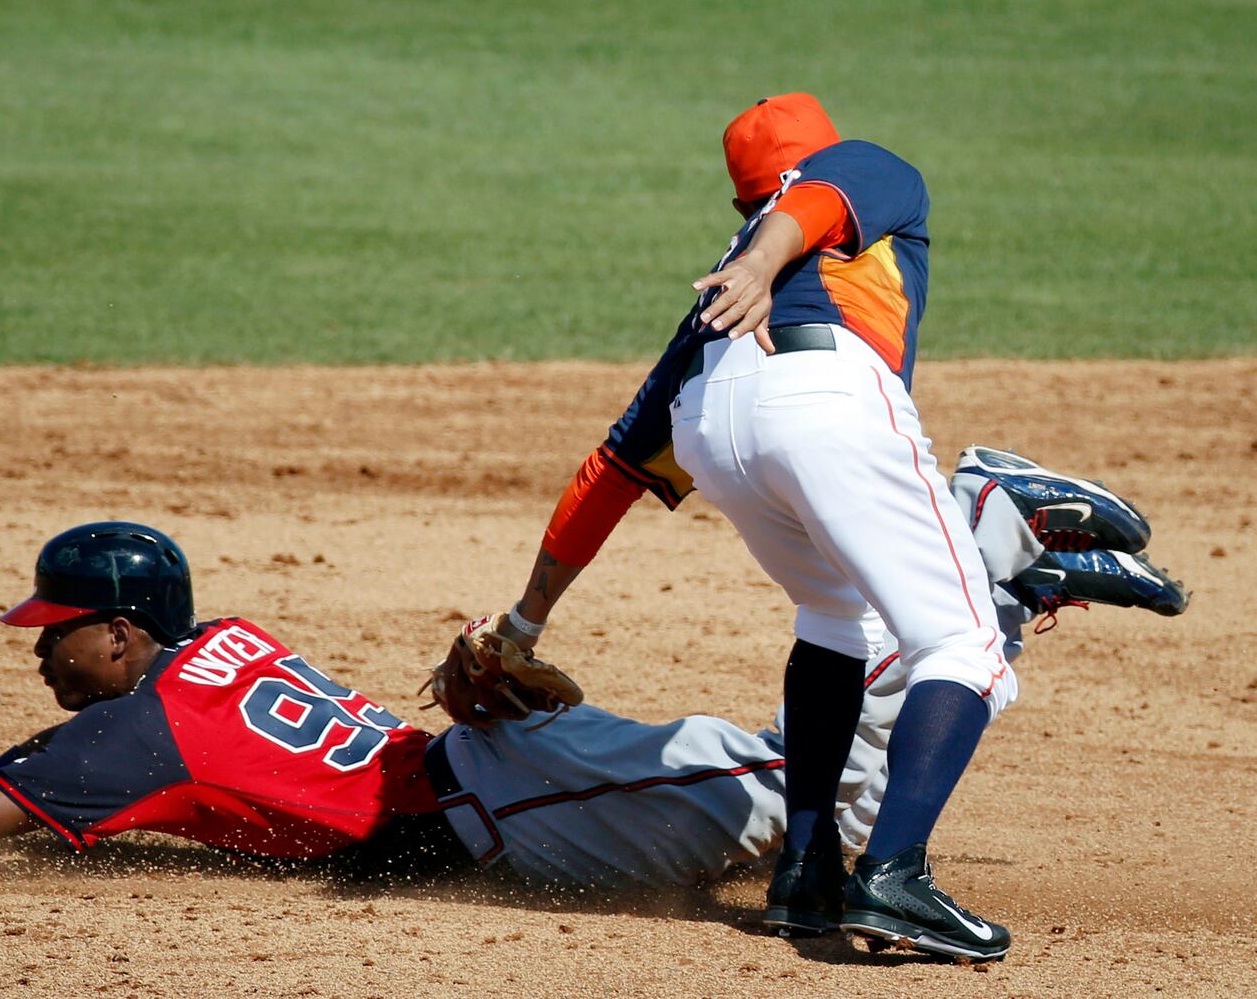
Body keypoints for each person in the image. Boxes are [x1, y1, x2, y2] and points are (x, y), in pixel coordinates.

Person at [0, 477, 1182, 919]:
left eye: (59, 632)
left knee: (825, 797)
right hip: (493, 771)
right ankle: (1007, 583)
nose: (40, 650)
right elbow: (34, 791)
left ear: (122, 636)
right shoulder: (218, 650)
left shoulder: (136, 725)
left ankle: (984, 543)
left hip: (511, 804)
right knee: (808, 784)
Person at [454, 93, 1180, 961]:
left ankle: (806, 872)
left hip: (713, 424)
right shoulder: (858, 170)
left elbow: (610, 470)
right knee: (962, 644)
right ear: (806, 165)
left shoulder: (714, 301)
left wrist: (523, 624)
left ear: (738, 200)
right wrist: (765, 263)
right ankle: (895, 877)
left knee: (836, 620)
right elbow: (819, 199)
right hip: (821, 397)